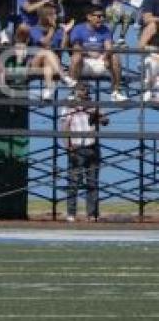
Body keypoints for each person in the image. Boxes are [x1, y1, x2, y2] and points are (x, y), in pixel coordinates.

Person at [59, 82, 105, 222]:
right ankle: (71, 214)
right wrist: (68, 147)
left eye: (86, 90)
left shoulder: (93, 104)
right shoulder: (69, 106)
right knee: (73, 182)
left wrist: (97, 114)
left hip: (92, 148)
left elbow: (105, 121)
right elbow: (65, 127)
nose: (84, 92)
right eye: (82, 89)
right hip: (77, 148)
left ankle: (91, 214)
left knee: (92, 183)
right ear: (76, 91)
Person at [68, 5, 125, 102]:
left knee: (115, 56)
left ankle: (116, 92)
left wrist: (107, 56)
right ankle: (73, 91)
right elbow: (76, 48)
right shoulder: (78, 29)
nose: (101, 19)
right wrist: (89, 53)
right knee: (76, 57)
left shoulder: (105, 29)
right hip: (83, 63)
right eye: (98, 16)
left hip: (101, 62)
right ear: (89, 17)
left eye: (102, 16)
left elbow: (108, 47)